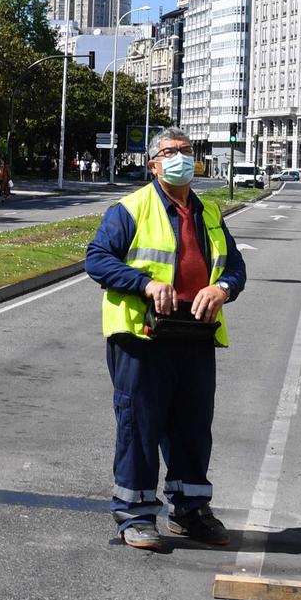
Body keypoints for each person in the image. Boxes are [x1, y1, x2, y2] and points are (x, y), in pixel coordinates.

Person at [84, 125, 248, 552]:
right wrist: (142, 284)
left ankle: (190, 510)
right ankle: (135, 516)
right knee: (139, 425)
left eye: (187, 151)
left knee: (193, 426)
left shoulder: (208, 213)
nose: (182, 158)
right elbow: (97, 259)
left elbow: (235, 268)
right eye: (172, 152)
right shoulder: (130, 209)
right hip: (143, 335)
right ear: (154, 165)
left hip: (195, 333)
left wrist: (222, 289)